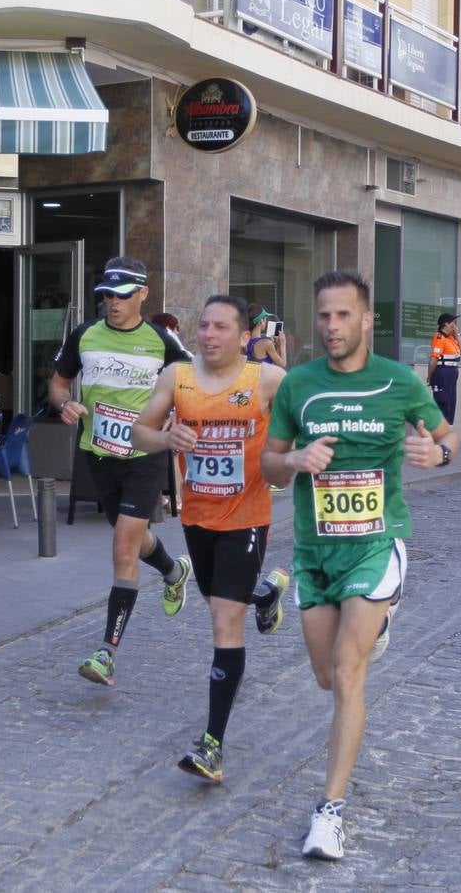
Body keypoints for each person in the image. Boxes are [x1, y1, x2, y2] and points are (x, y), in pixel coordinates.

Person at [261, 270, 458, 861]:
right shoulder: (299, 385)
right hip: (315, 550)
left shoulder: (397, 382)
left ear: (366, 319)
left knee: (348, 674)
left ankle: (330, 812)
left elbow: (447, 436)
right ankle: (378, 625)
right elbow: (269, 467)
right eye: (323, 315)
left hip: (377, 542)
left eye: (344, 315)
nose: (331, 326)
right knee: (325, 675)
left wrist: (437, 452)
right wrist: (295, 457)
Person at [132, 294, 288, 783]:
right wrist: (166, 439)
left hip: (247, 515)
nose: (209, 335)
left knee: (224, 623)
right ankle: (266, 592)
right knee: (222, 603)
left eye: (222, 327)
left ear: (245, 337)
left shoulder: (266, 380)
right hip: (197, 518)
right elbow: (139, 432)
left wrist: (295, 461)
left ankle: (212, 745)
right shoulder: (175, 377)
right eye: (204, 326)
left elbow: (305, 425)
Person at [48, 256, 193, 686]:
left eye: (122, 295)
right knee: (131, 534)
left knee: (122, 545)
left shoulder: (162, 341)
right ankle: (173, 570)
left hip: (145, 456)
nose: (113, 302)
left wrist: (175, 416)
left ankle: (106, 652)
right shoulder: (84, 335)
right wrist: (64, 403)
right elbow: (57, 382)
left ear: (143, 294)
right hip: (98, 453)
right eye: (107, 295)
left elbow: (194, 383)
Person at [428, 312, 461, 423]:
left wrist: (457, 335)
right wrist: (430, 377)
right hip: (443, 372)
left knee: (451, 404)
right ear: (445, 324)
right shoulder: (439, 338)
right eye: (452, 322)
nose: (454, 324)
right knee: (442, 402)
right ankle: (439, 433)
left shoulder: (451, 339)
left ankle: (447, 433)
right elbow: (433, 361)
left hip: (452, 372)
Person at [245, 303, 287, 368]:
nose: (266, 321)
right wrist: (283, 344)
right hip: (262, 377)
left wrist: (277, 345)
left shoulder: (244, 341)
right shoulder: (266, 343)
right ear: (261, 321)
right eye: (265, 319)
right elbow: (282, 364)